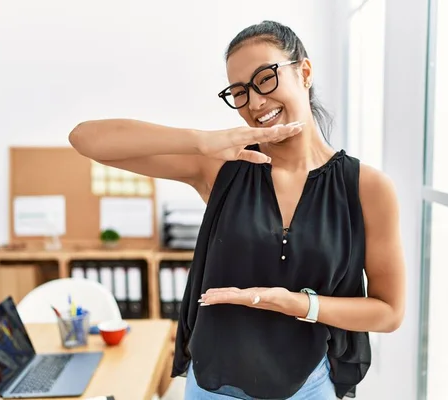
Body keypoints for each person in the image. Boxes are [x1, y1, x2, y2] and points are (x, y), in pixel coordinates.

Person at [69, 20, 405, 400]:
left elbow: (388, 311)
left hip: (307, 387)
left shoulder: (366, 188)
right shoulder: (221, 167)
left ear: (304, 72)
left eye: (265, 78)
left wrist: (293, 303)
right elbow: (85, 139)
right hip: (215, 387)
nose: (255, 102)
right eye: (239, 92)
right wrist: (202, 142)